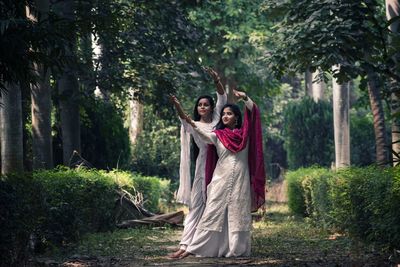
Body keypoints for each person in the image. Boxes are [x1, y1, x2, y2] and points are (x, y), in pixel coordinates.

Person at [178, 89, 266, 258]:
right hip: (220, 178)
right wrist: (192, 123)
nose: (225, 116)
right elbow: (203, 135)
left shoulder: (245, 135)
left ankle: (235, 250)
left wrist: (246, 98)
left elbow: (253, 111)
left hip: (241, 179)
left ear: (237, 117)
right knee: (213, 211)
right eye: (224, 114)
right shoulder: (218, 135)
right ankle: (197, 248)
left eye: (229, 114)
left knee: (238, 212)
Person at [168, 68, 227, 259]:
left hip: (220, 165)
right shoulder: (194, 125)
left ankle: (207, 245)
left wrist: (216, 79)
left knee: (215, 205)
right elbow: (184, 118)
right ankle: (185, 245)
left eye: (206, 104)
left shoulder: (218, 120)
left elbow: (222, 97)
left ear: (211, 108)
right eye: (200, 105)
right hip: (203, 166)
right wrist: (177, 105)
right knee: (196, 206)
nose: (202, 107)